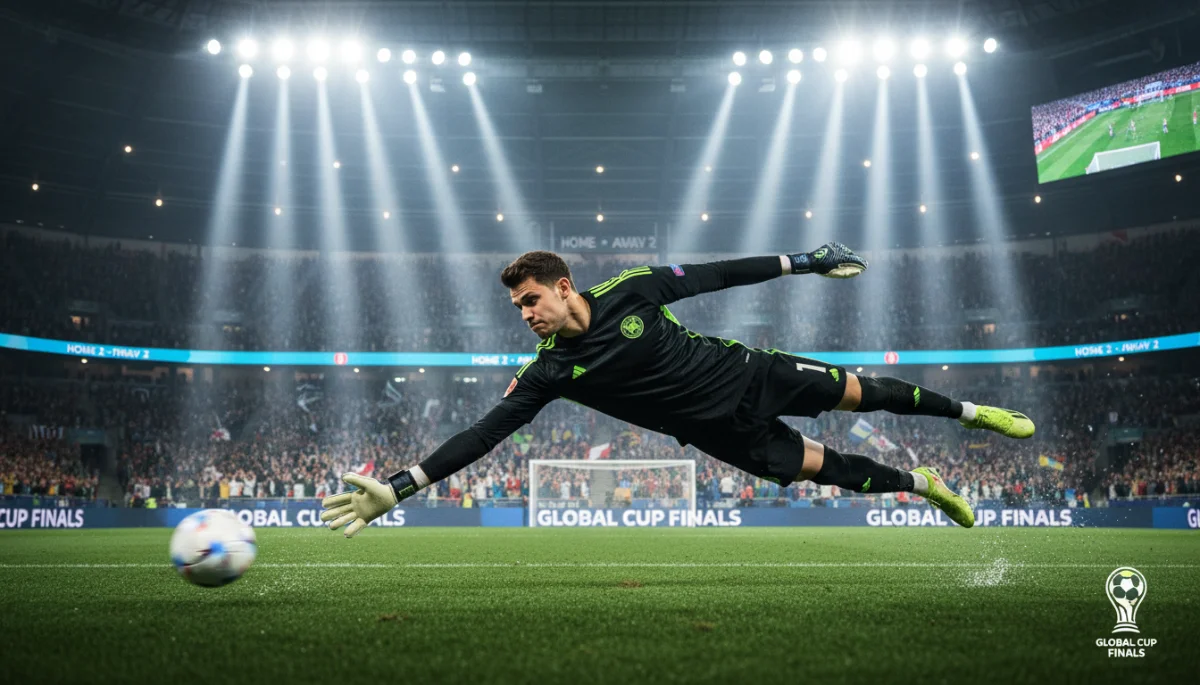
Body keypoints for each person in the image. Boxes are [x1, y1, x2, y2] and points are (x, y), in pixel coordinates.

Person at [321, 244, 1035, 535]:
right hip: (721, 433)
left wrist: (802, 261)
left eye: (531, 299)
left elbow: (717, 275)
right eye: (518, 307)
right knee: (830, 470)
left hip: (751, 374)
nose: (526, 313)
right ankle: (922, 483)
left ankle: (973, 412)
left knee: (863, 392)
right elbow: (484, 433)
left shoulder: (632, 290)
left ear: (563, 287)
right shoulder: (548, 371)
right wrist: (402, 485)